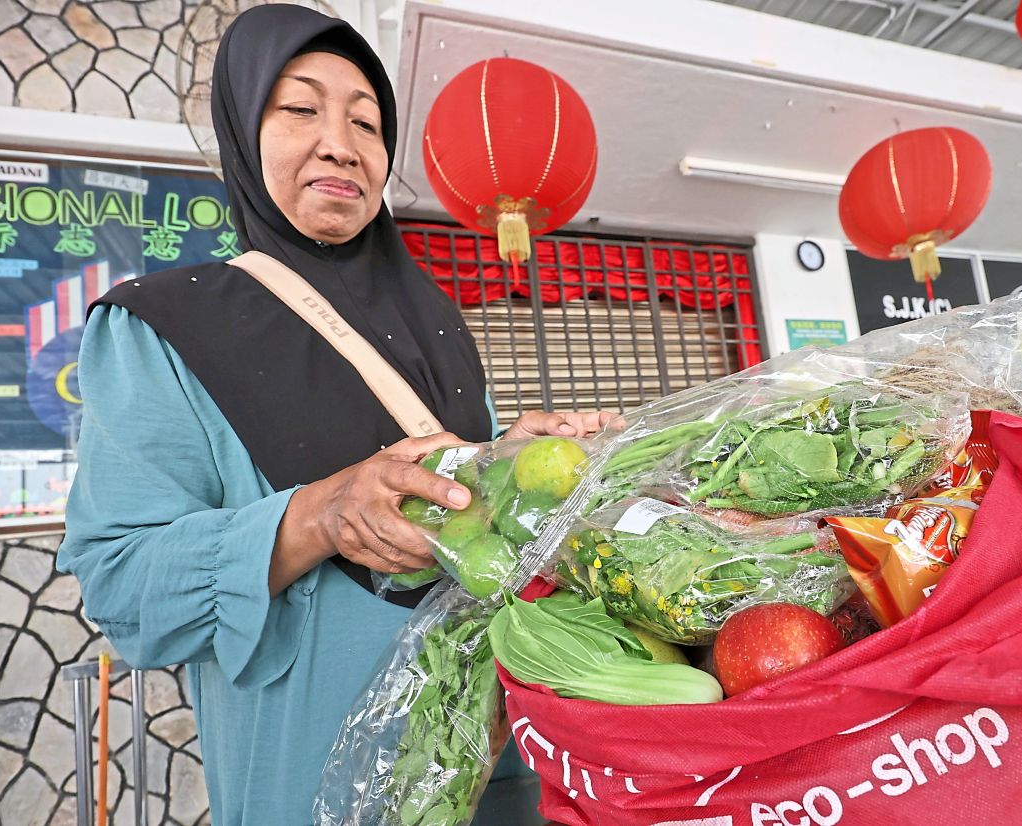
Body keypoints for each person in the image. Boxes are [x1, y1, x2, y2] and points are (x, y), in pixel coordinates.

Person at [57, 6, 611, 824]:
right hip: (328, 781)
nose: (341, 143)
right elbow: (125, 589)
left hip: (504, 755)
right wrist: (321, 514)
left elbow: (462, 518)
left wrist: (507, 467)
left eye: (366, 122)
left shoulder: (437, 323)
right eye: (301, 109)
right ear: (244, 132)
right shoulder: (163, 327)